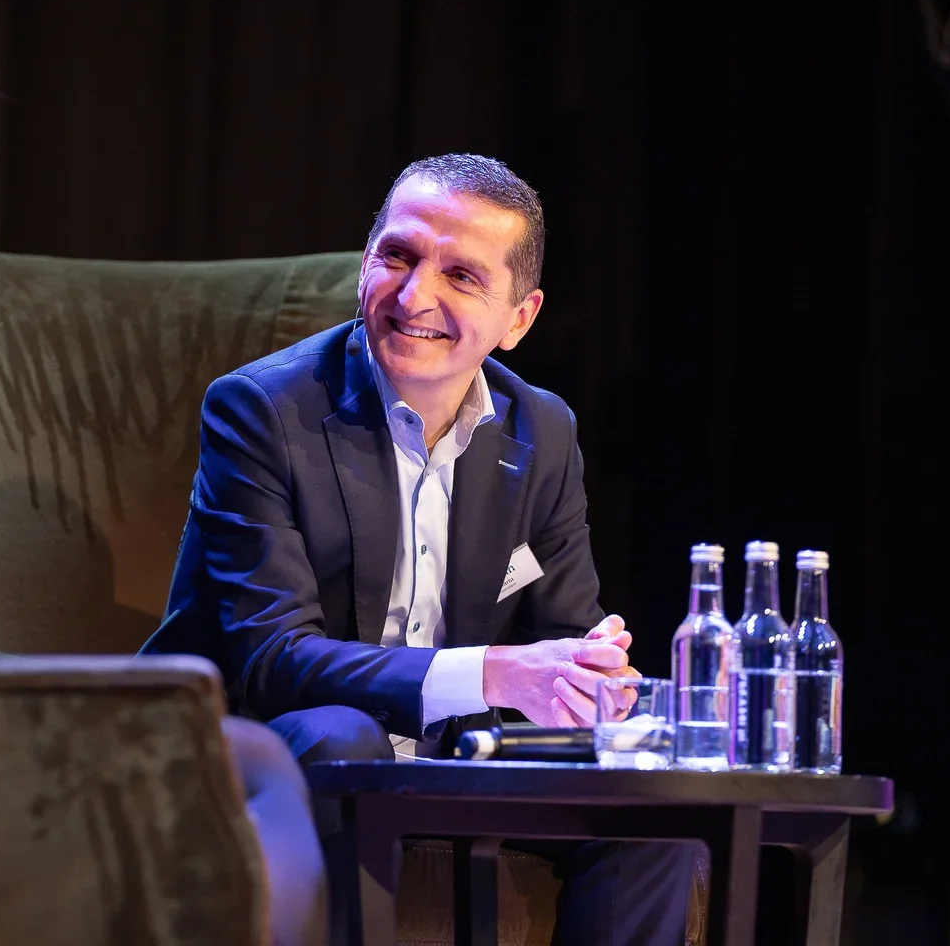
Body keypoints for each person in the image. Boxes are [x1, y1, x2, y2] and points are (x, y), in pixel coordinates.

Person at [143, 153, 695, 944]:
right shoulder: (262, 411)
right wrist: (497, 672)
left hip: (459, 759)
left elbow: (567, 632)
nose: (415, 295)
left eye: (463, 276)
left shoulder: (543, 433)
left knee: (648, 805)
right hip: (273, 749)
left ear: (519, 317)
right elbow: (271, 658)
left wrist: (589, 678)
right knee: (344, 736)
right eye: (397, 256)